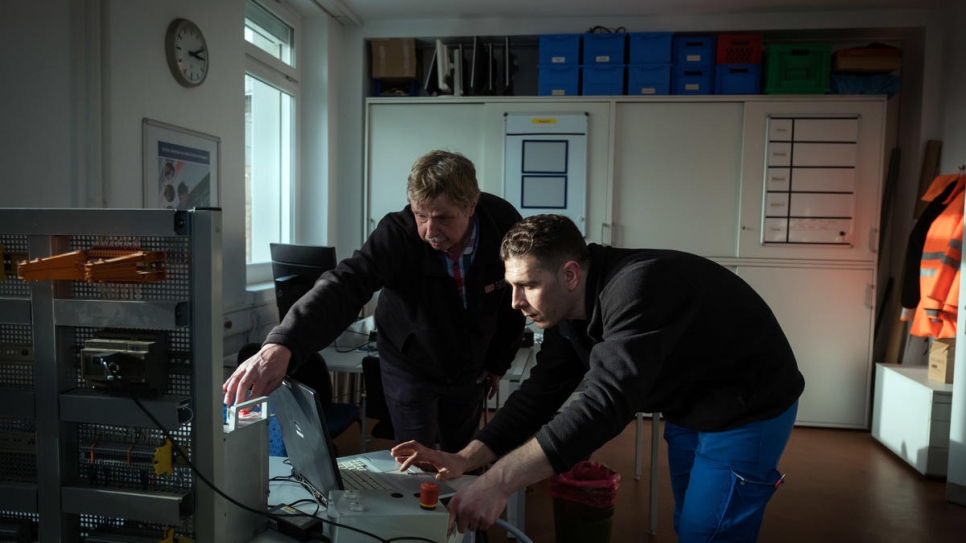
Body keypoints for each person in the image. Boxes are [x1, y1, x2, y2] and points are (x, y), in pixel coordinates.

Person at [392, 214, 805, 542]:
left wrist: (498, 482)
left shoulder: (637, 288)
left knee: (708, 532)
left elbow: (604, 405)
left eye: (528, 285)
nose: (515, 302)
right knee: (691, 522)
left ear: (570, 274)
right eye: (512, 286)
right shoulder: (566, 310)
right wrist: (468, 458)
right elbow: (541, 391)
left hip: (748, 405)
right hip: (691, 403)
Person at [223, 150, 525, 454]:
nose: (430, 232)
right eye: (421, 215)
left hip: (469, 364)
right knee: (415, 458)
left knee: (462, 455)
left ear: (471, 206)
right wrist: (284, 342)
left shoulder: (503, 224)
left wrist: (498, 361)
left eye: (443, 218)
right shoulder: (397, 233)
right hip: (409, 362)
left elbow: (515, 301)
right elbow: (345, 284)